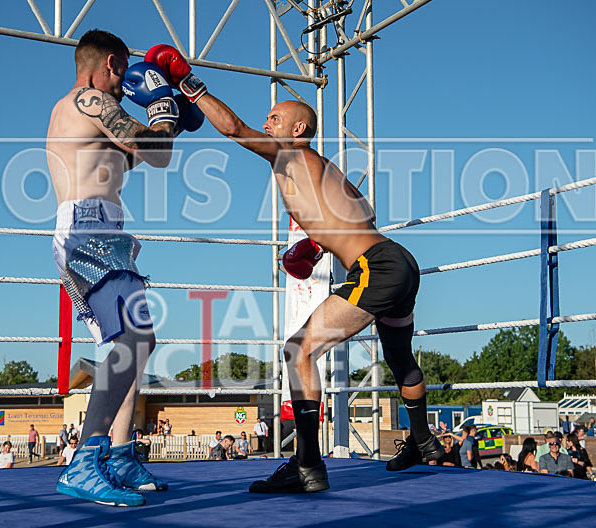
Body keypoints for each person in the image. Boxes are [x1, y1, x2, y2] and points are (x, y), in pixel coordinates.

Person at [143, 43, 443, 493]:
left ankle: (306, 466)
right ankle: (423, 441)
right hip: (398, 260)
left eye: (276, 118)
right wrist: (318, 245)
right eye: (268, 120)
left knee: (297, 351)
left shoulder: (290, 154)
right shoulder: (323, 168)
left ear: (299, 128)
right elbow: (362, 213)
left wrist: (188, 83)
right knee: (401, 359)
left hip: (376, 266)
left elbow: (233, 129)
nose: (267, 124)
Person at [49, 30, 200, 506]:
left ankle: (117, 455)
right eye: (124, 75)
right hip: (87, 232)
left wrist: (170, 118)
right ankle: (84, 462)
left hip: (105, 233)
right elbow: (149, 146)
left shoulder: (89, 118)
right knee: (133, 340)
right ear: (112, 63)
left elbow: (145, 157)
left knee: (134, 344)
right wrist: (162, 108)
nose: (125, 88)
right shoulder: (88, 99)